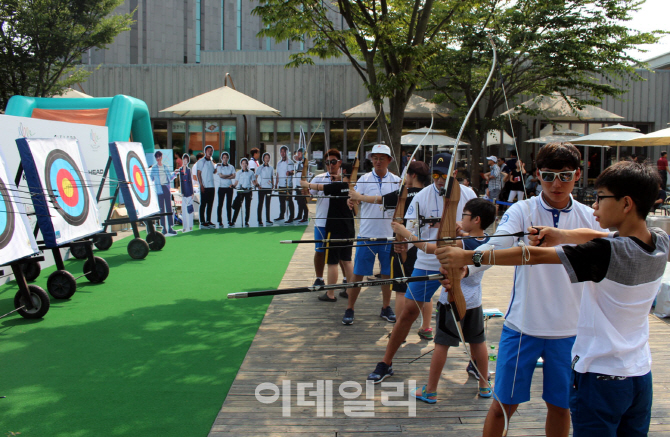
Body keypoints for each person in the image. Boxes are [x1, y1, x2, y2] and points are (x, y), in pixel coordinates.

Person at [436, 160, 668, 437]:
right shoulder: (660, 240)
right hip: (640, 374)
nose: (594, 206)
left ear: (627, 203)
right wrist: (563, 234)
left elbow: (531, 255)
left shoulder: (604, 253)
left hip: (599, 376)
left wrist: (468, 256)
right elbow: (603, 234)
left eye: (601, 198)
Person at [441, 143, 607, 437]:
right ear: (536, 175)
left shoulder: (588, 216)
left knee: (560, 407)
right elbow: (498, 244)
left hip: (570, 332)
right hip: (521, 329)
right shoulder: (522, 209)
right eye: (548, 176)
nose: (557, 184)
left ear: (578, 175)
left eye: (566, 176)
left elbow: (618, 244)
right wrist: (465, 269)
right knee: (502, 406)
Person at [366, 153, 477, 383]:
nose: (439, 180)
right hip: (427, 262)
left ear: (454, 174)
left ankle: (475, 363)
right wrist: (402, 242)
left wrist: (463, 232)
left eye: (444, 175)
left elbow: (477, 233)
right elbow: (409, 228)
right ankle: (386, 362)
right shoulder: (422, 196)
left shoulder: (468, 195)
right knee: (408, 311)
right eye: (435, 175)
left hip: (459, 261)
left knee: (466, 312)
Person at [402, 198, 496, 402]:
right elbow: (471, 240)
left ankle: (431, 390)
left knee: (441, 345)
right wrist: (459, 230)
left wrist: (405, 234)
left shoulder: (461, 243)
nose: (461, 219)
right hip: (474, 301)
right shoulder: (487, 241)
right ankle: (484, 386)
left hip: (452, 300)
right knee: (478, 342)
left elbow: (431, 248)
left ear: (476, 219)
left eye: (465, 215)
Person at [350, 160, 432, 337]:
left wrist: (358, 197)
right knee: (425, 289)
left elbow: (379, 199)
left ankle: (399, 331)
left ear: (413, 175)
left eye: (407, 174)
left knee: (401, 289)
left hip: (404, 246)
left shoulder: (404, 193)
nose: (405, 178)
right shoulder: (431, 194)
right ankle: (426, 327)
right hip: (425, 247)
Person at [342, 144, 401, 326]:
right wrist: (350, 201)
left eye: (381, 158)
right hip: (366, 234)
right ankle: (350, 308)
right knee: (358, 274)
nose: (377, 161)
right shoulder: (364, 179)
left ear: (389, 160)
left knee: (386, 274)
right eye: (374, 158)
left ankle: (385, 307)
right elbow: (354, 197)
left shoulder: (397, 181)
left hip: (388, 235)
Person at [301, 162, 355, 301]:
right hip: (349, 228)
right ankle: (349, 291)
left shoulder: (337, 186)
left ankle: (330, 294)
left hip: (335, 229)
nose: (336, 173)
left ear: (344, 172)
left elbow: (319, 187)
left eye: (340, 171)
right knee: (347, 260)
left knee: (332, 262)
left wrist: (305, 183)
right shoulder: (350, 188)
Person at [310, 149, 344, 287]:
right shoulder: (319, 178)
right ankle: (319, 278)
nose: (331, 165)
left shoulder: (345, 179)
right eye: (328, 162)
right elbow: (309, 194)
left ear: (339, 162)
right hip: (321, 222)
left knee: (342, 253)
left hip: (339, 223)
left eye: (334, 162)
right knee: (320, 251)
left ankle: (346, 280)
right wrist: (305, 188)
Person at [149, 150, 177, 237]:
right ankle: (164, 227)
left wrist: (175, 173)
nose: (158, 158)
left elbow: (170, 177)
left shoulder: (165, 167)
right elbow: (151, 178)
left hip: (166, 187)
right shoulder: (154, 168)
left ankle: (170, 227)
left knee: (169, 208)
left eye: (159, 156)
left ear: (161, 157)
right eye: (156, 157)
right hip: (159, 188)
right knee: (161, 209)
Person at [196, 145, 216, 229]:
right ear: (205, 151)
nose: (210, 152)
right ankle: (202, 221)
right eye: (208, 150)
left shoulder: (212, 162)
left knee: (210, 204)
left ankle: (208, 220)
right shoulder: (201, 161)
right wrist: (201, 185)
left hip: (212, 186)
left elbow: (213, 172)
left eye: (211, 151)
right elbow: (198, 173)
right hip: (205, 186)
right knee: (203, 204)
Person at [230, 158, 254, 227]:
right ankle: (233, 221)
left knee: (247, 207)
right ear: (241, 164)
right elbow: (236, 182)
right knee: (237, 206)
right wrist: (233, 185)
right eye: (243, 163)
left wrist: (257, 185)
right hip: (241, 191)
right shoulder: (238, 173)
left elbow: (253, 181)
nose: (244, 165)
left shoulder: (251, 172)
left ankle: (246, 221)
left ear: (247, 164)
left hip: (248, 191)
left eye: (245, 163)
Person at [275, 145, 295, 223]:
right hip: (281, 185)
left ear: (287, 152)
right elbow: (277, 174)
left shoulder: (290, 162)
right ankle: (281, 215)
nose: (283, 153)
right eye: (281, 151)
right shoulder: (279, 163)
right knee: (281, 201)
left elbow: (293, 172)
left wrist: (289, 172)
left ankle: (291, 217)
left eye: (284, 151)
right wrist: (276, 184)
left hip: (288, 185)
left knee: (289, 201)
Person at [215, 151, 235, 227]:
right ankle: (219, 221)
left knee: (229, 204)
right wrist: (229, 175)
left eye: (226, 158)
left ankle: (229, 220)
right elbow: (220, 176)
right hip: (221, 187)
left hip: (229, 187)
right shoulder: (219, 166)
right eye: (224, 157)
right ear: (222, 158)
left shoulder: (231, 166)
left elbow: (233, 176)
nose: (225, 159)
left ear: (228, 158)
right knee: (220, 204)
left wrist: (226, 176)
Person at [254, 152, 274, 226]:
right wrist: (257, 184)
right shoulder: (260, 167)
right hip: (262, 188)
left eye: (268, 157)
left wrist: (273, 184)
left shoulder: (271, 168)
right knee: (260, 204)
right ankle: (259, 220)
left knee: (268, 204)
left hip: (269, 188)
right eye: (265, 157)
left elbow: (272, 177)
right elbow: (255, 176)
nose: (267, 159)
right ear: (263, 159)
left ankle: (268, 219)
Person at [178, 153, 194, 233]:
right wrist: (181, 191)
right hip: (183, 192)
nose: (185, 161)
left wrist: (192, 192)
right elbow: (180, 182)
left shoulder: (189, 170)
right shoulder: (180, 170)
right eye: (184, 160)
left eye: (186, 160)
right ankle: (185, 226)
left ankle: (190, 226)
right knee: (184, 210)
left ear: (188, 161)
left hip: (189, 191)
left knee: (190, 209)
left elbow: (190, 181)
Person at [293, 148, 309, 223]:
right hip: (297, 185)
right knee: (299, 201)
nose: (298, 155)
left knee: (303, 202)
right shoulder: (297, 163)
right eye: (298, 153)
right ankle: (299, 215)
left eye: (300, 153)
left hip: (302, 186)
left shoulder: (305, 163)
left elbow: (305, 172)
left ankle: (305, 217)